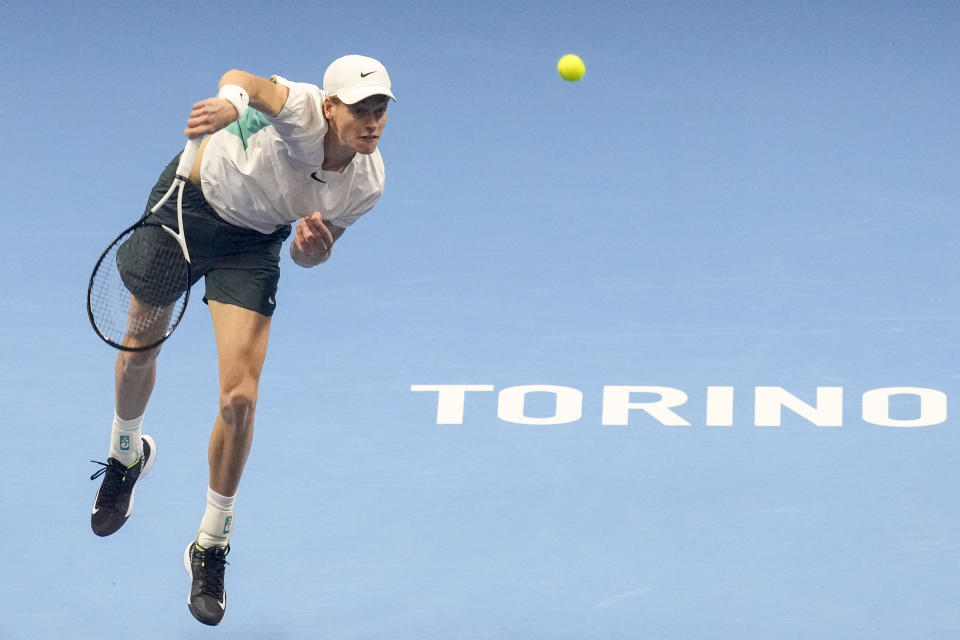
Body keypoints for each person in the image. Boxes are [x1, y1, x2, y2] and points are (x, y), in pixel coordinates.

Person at [88, 54, 396, 626]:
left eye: (379, 110)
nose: (371, 121)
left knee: (240, 399)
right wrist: (233, 102)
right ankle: (126, 454)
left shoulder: (367, 184)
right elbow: (248, 82)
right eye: (359, 109)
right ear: (330, 108)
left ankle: (210, 543)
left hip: (252, 247)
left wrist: (313, 251)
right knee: (139, 348)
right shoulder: (302, 109)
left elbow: (311, 252)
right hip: (189, 206)